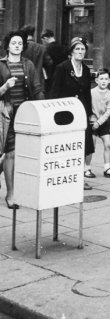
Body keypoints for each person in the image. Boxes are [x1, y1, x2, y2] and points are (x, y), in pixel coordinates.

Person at [0, 30, 44, 208]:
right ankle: (11, 195)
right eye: (13, 43)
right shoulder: (1, 65)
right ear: (7, 46)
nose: (17, 46)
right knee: (10, 152)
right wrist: (4, 86)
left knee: (18, 153)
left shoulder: (29, 65)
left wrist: (42, 107)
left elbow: (37, 86)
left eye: (20, 43)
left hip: (25, 113)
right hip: (6, 114)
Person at [49, 36, 95, 187]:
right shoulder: (62, 68)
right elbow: (54, 92)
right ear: (71, 52)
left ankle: (78, 177)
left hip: (81, 111)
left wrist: (90, 113)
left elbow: (87, 93)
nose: (80, 52)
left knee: (82, 144)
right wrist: (54, 114)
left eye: (83, 49)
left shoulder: (86, 70)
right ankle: (64, 176)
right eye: (78, 49)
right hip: (65, 112)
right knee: (66, 144)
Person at [85, 68, 110, 179]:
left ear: (109, 80)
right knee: (91, 146)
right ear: (96, 80)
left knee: (108, 144)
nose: (103, 81)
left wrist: (99, 122)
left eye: (106, 79)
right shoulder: (91, 92)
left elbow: (108, 111)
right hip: (92, 122)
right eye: (101, 79)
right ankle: (87, 168)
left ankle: (107, 168)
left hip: (102, 122)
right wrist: (92, 119)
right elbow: (88, 107)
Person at [18, 25, 46, 90]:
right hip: (38, 81)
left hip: (22, 80)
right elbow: (49, 63)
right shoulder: (42, 48)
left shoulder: (20, 48)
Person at [41, 30, 66, 94]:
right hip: (63, 77)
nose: (43, 43)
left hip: (51, 78)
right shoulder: (62, 47)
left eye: (42, 41)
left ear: (45, 38)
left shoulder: (46, 49)